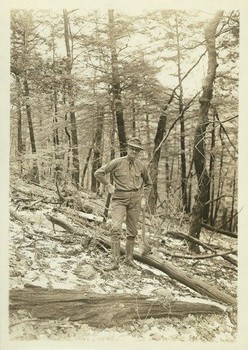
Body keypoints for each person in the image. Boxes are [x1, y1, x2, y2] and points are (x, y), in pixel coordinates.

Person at [94, 137, 152, 270]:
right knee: (115, 229)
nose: (134, 151)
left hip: (135, 200)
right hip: (119, 199)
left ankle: (129, 259)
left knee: (132, 231)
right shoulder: (117, 162)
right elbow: (98, 173)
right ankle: (115, 262)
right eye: (132, 148)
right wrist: (108, 185)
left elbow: (148, 183)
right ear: (127, 148)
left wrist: (144, 198)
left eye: (137, 150)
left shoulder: (141, 166)